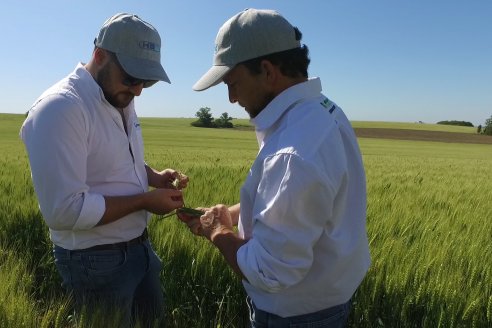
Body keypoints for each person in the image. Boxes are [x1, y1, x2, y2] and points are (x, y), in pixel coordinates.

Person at [178, 8, 371, 328]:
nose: (231, 98)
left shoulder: (292, 153)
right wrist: (230, 215)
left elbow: (270, 270)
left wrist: (218, 232)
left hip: (295, 316)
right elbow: (291, 205)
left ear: (267, 71)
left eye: (233, 82)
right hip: (322, 306)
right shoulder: (323, 110)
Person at [20, 13, 186, 327]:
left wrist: (153, 176)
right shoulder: (61, 109)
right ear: (100, 56)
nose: (138, 90)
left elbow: (115, 156)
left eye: (145, 81)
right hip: (95, 261)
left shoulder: (118, 94)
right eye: (132, 78)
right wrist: (144, 200)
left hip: (140, 247)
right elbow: (63, 212)